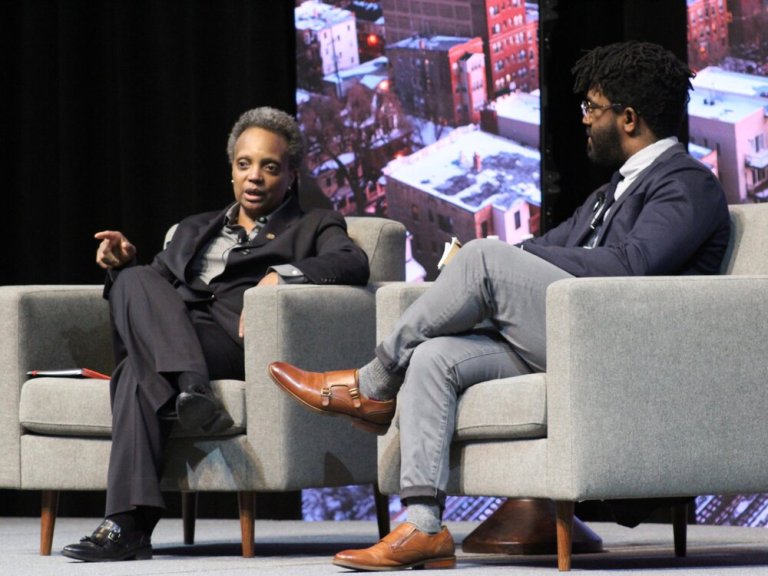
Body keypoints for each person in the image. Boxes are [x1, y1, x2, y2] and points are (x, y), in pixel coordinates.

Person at [268, 41, 731, 571]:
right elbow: (543, 246)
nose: (584, 120)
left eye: (592, 109)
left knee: (487, 257)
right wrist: (489, 269)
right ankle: (423, 527)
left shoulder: (688, 185)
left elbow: (632, 267)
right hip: (572, 336)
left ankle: (371, 384)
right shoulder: (613, 191)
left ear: (628, 118)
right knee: (435, 355)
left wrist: (494, 266)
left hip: (622, 350)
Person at [62, 107, 370, 562]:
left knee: (137, 367)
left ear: (290, 175)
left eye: (270, 167)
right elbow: (152, 289)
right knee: (132, 294)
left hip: (232, 338)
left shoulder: (315, 225)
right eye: (244, 164)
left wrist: (283, 274)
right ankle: (185, 404)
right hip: (178, 338)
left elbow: (352, 262)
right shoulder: (192, 229)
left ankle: (128, 521)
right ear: (231, 171)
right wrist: (124, 262)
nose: (255, 177)